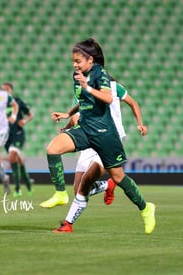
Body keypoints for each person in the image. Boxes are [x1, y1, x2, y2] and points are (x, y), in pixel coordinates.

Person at [40, 38, 156, 234]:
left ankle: (146, 208)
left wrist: (87, 86)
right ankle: (60, 194)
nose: (75, 65)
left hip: (105, 134)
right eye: (73, 61)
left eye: (78, 61)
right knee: (52, 149)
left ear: (90, 59)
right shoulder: (78, 75)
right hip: (85, 129)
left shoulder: (100, 74)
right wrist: (68, 114)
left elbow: (108, 97)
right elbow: (83, 100)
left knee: (118, 177)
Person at [54, 78, 148, 233]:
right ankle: (107, 185)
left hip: (108, 139)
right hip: (88, 138)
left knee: (86, 183)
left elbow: (133, 103)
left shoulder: (113, 87)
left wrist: (140, 123)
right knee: (78, 189)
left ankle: (67, 224)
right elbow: (76, 117)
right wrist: (66, 128)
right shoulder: (81, 89)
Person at [1, 82, 34, 197]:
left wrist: (24, 121)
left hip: (18, 134)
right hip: (6, 137)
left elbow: (30, 114)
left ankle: (17, 188)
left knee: (12, 157)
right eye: (2, 90)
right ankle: (28, 183)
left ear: (11, 91)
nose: (4, 92)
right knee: (18, 160)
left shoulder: (18, 102)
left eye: (6, 89)